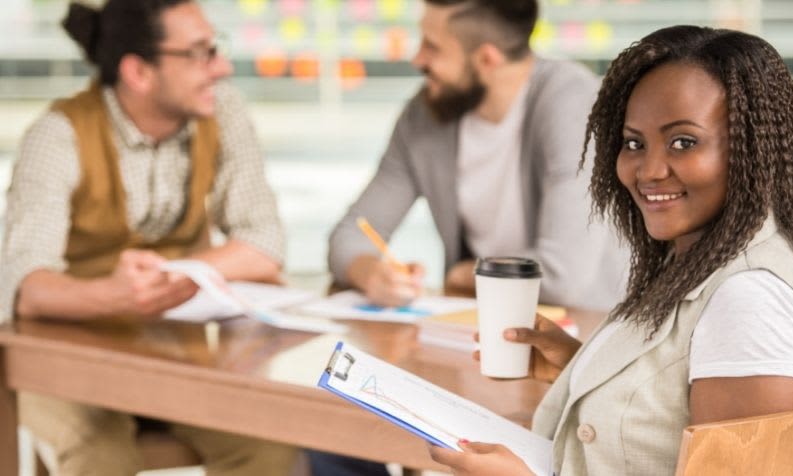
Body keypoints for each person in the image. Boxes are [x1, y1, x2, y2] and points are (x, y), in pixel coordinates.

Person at [428, 25, 793, 475]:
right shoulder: (695, 259)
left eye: (684, 142)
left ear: (751, 151)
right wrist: (583, 370)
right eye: (634, 143)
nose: (648, 170)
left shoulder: (751, 302)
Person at [0, 1, 297, 474]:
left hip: (174, 347)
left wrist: (173, 276)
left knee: (271, 447)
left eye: (216, 48)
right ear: (139, 72)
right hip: (67, 354)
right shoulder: (57, 136)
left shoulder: (222, 112)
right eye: (200, 54)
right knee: (101, 454)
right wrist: (110, 297)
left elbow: (264, 243)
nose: (221, 68)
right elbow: (24, 289)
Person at [327, 0, 628, 311]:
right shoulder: (424, 117)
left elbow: (562, 278)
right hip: (480, 324)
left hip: (584, 330)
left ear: (487, 58)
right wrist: (371, 273)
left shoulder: (572, 103)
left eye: (433, 47)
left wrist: (463, 273)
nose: (417, 59)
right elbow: (351, 233)